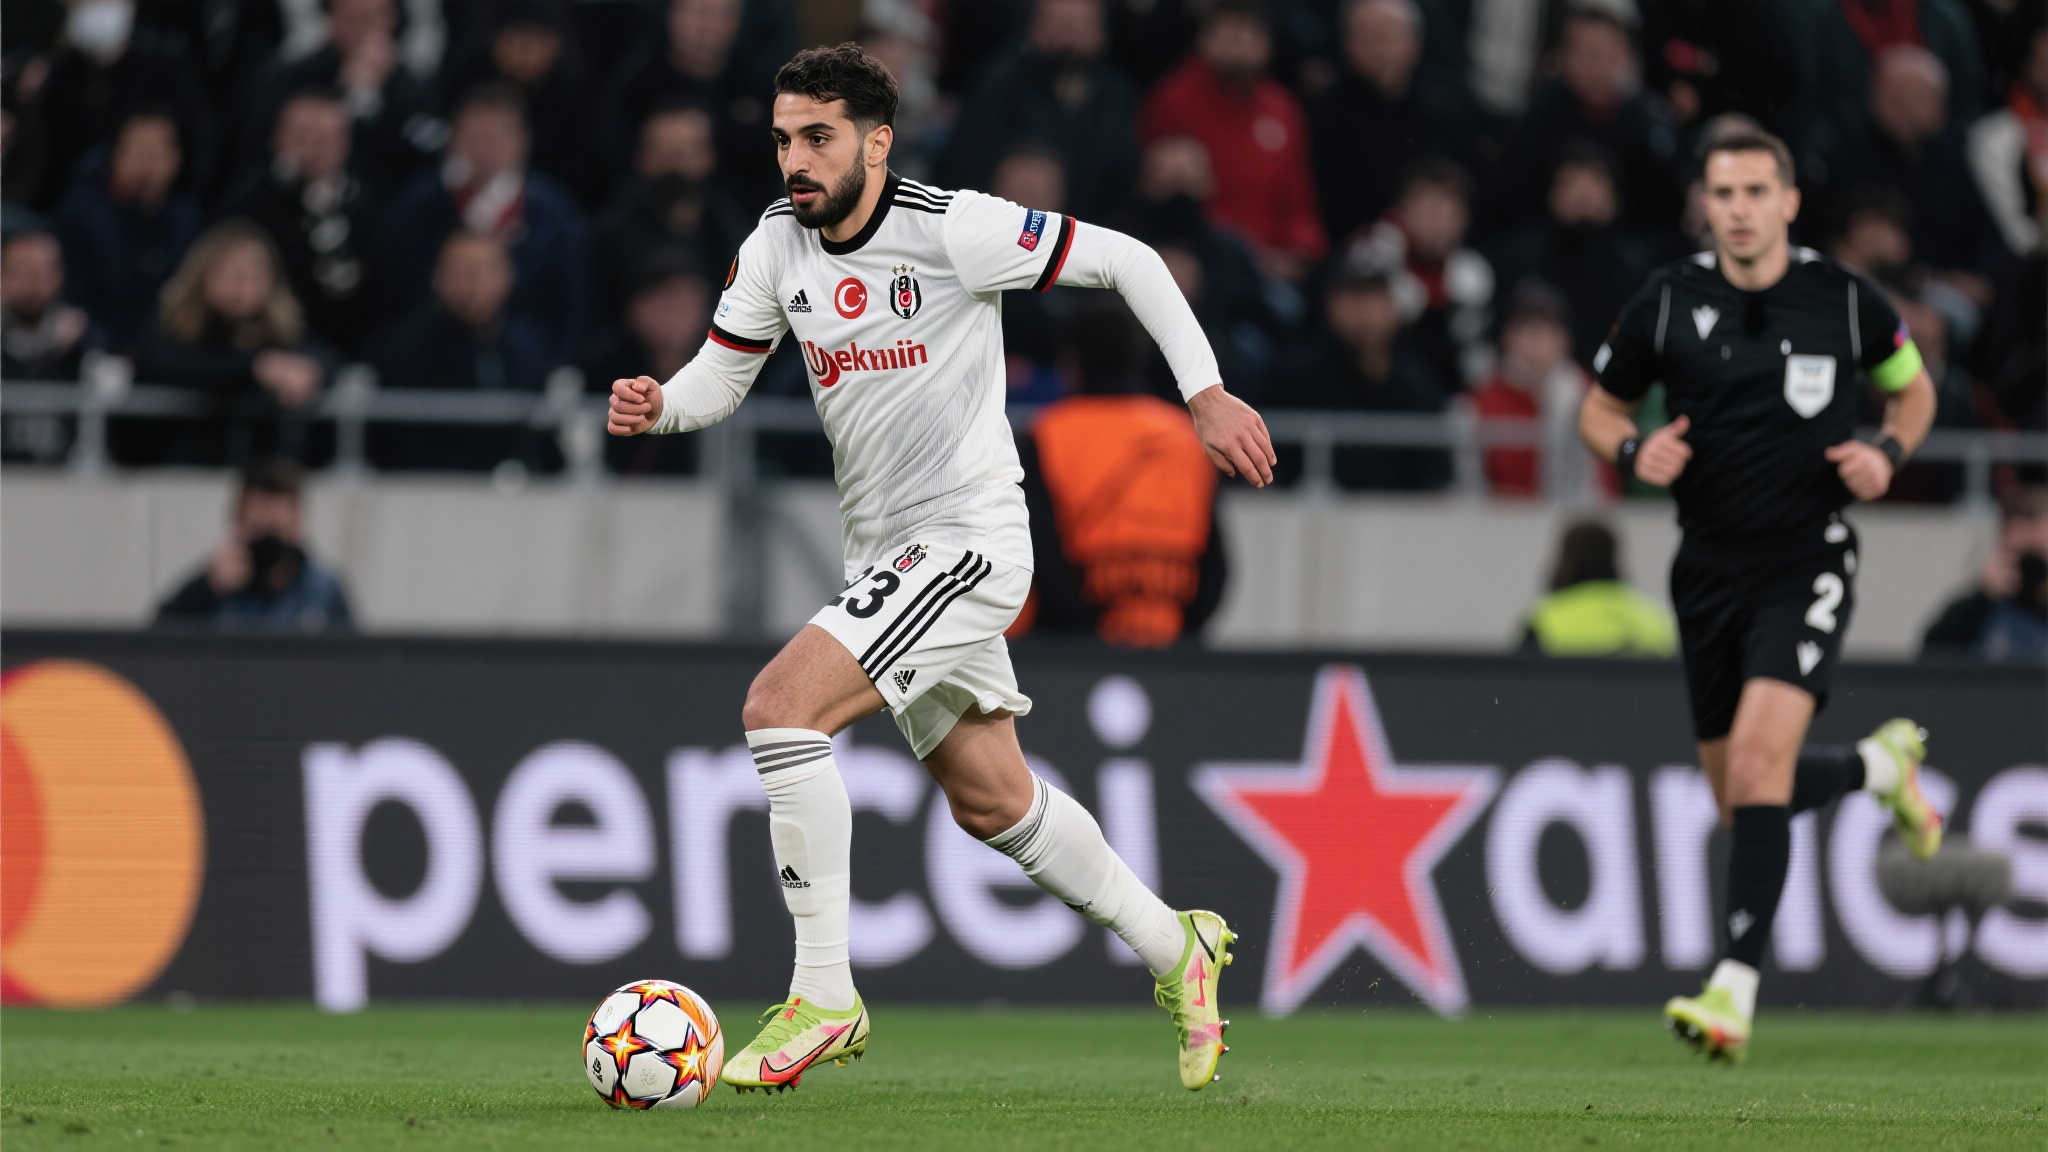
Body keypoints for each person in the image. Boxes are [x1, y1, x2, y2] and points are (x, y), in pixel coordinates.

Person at [605, 43, 1272, 1094]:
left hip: (967, 542)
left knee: (780, 710)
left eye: (818, 138)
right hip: (887, 555)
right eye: (782, 140)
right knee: (992, 800)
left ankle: (824, 994)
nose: (795, 160)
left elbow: (1131, 260)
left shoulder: (953, 228)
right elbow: (720, 381)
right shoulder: (776, 244)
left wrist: (1204, 393)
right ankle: (1174, 945)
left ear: (875, 142)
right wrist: (661, 405)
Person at [1579, 117, 1943, 1061]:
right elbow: (1599, 409)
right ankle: (1877, 770)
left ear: (1788, 202)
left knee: (1754, 771)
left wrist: (1887, 450)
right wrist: (1633, 449)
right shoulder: (1668, 300)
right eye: (1723, 194)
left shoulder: (1845, 300)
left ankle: (1733, 990)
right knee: (1742, 799)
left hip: (1807, 558)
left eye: (1754, 193)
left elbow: (1914, 392)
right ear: (1705, 206)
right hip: (1706, 569)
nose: (1738, 210)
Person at [1012, 305, 1227, 646]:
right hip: (1172, 641)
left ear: (1071, 363)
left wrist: (1083, 635)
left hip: (1071, 649)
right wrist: (1183, 636)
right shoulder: (1186, 434)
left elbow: (1039, 554)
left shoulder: (1045, 435)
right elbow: (1215, 564)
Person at [1140, 0, 1324, 280]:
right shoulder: (1173, 101)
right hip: (1204, 261)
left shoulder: (1282, 108)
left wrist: (1299, 249)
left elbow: (1298, 198)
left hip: (1275, 261)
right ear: (1204, 39)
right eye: (1229, 32)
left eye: (1250, 33)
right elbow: (1156, 194)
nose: (1239, 44)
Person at [135, 218, 331, 465]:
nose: (242, 286)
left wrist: (311, 370)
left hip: (258, 467)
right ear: (204, 273)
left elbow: (325, 356)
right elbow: (162, 364)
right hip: (180, 466)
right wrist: (256, 368)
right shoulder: (172, 324)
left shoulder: (281, 329)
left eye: (253, 274)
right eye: (232, 273)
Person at [367, 229, 556, 473]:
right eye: (461, 271)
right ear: (437, 277)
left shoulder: (531, 348)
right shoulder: (400, 350)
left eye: (485, 270)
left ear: (509, 276)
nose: (473, 283)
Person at [225, 84, 378, 357]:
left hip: (344, 348)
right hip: (259, 343)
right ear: (278, 137)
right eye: (301, 136)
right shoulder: (248, 201)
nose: (312, 149)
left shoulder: (365, 205)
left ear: (345, 144)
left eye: (324, 139)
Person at [155, 457, 354, 632]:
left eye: (277, 530)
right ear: (239, 522)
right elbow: (157, 640)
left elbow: (352, 654)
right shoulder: (215, 588)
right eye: (259, 529)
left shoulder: (322, 591)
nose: (269, 545)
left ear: (297, 524)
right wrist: (205, 590)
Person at [1920, 487, 2048, 661]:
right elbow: (1930, 658)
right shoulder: (1978, 608)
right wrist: (1982, 598)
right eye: (2023, 554)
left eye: (2039, 553)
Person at [1519, 519, 1676, 655]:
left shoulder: (1543, 621)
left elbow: (1521, 676)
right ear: (1613, 558)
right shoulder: (1654, 619)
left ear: (1565, 559)